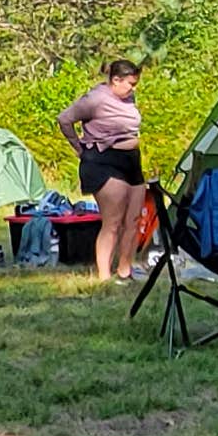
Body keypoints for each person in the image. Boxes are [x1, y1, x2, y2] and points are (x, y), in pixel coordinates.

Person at [59, 58, 151, 283]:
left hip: (131, 161)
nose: (133, 88)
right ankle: (103, 276)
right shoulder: (95, 99)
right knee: (113, 221)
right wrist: (79, 148)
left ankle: (125, 271)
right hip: (103, 161)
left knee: (134, 219)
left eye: (135, 84)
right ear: (116, 80)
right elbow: (64, 119)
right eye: (130, 83)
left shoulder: (129, 98)